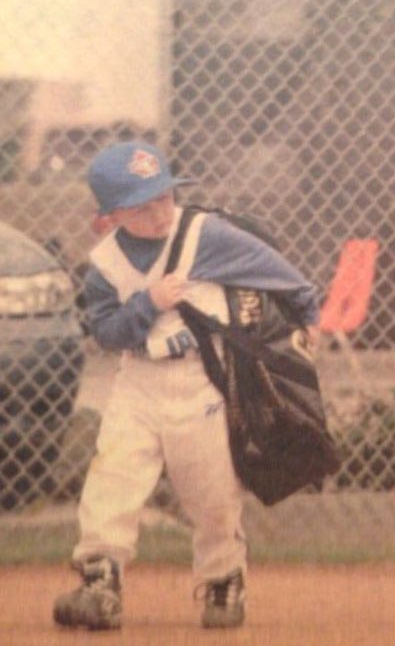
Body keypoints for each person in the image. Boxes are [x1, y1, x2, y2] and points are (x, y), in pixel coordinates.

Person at [53, 140, 320, 630]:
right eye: (142, 205)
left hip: (200, 384)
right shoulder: (105, 265)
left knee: (212, 490)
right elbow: (108, 334)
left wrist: (307, 313)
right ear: (111, 215)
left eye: (164, 197)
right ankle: (99, 578)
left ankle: (223, 578)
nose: (159, 212)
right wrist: (147, 304)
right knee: (113, 479)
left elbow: (278, 271)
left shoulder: (204, 235)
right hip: (138, 384)